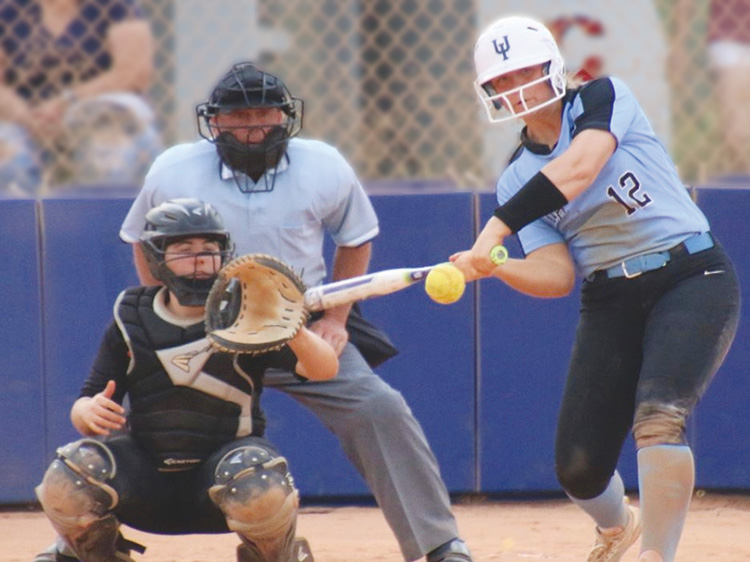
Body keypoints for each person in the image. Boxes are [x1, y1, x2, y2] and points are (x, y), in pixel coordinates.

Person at [118, 62, 473, 562]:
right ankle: (78, 538)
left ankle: (438, 546)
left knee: (380, 408)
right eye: (238, 117)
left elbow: (356, 239)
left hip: (296, 324)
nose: (252, 127)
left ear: (286, 117)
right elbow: (142, 242)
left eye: (263, 114)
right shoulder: (172, 169)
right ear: (213, 121)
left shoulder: (324, 165)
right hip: (208, 326)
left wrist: (335, 321)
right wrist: (167, 316)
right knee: (144, 415)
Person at [452, 15, 741, 562]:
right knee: (579, 469)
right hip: (611, 299)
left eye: (526, 74)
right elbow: (557, 275)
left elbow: (581, 166)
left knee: (658, 417)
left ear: (552, 70)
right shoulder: (516, 177)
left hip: (690, 274)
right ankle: (617, 527)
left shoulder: (602, 99)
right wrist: (496, 265)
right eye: (503, 81)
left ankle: (657, 554)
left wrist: (494, 229)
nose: (516, 89)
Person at [34, 198, 338, 562]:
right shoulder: (131, 316)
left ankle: (278, 554)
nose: (199, 260)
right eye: (184, 249)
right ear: (156, 257)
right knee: (69, 474)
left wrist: (295, 330)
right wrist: (87, 411)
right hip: (146, 480)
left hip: (222, 480)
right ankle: (91, 555)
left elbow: (325, 370)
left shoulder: (246, 316)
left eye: (209, 250)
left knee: (258, 479)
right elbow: (87, 400)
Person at [0, 0, 162, 193]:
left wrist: (66, 102)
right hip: (31, 115)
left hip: (96, 106)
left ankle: (108, 217)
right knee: (7, 150)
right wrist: (28, 117)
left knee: (108, 138)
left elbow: (134, 72)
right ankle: (17, 220)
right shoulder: (9, 10)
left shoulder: (114, 5)